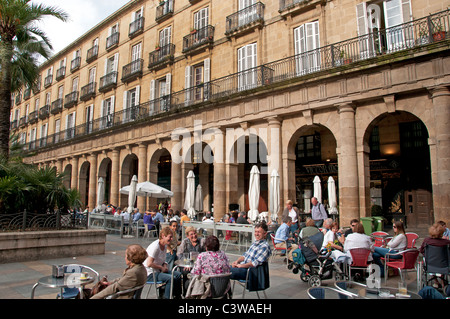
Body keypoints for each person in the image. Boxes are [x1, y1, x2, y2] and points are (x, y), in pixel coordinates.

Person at [144, 226, 182, 299]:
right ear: (163, 236)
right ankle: (166, 297)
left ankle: (177, 296)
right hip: (150, 273)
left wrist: (164, 265)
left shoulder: (164, 246)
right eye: (170, 237)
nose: (171, 239)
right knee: (170, 278)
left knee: (178, 275)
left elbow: (163, 260)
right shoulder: (155, 247)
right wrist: (161, 267)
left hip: (159, 271)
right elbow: (149, 263)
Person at [419, 222, 450, 289]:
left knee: (431, 260)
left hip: (430, 264)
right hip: (444, 265)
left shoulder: (426, 241)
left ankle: (436, 281)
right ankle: (442, 282)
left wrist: (427, 255)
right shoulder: (446, 242)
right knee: (443, 260)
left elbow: (421, 250)